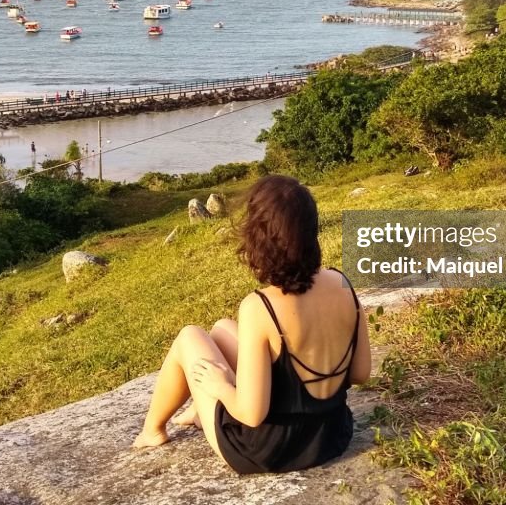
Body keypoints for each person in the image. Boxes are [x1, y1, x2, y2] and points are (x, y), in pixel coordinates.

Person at [132, 175, 371, 474]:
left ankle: (152, 430)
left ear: (259, 237)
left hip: (270, 450)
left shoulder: (261, 306)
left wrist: (221, 386)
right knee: (221, 328)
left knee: (189, 336)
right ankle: (198, 411)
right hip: (331, 434)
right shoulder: (342, 284)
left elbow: (252, 414)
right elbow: (361, 373)